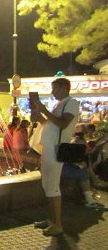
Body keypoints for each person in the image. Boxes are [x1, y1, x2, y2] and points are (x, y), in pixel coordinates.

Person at [30, 77, 80, 236]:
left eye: (55, 89)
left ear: (64, 88)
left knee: (53, 187)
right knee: (48, 186)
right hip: (48, 149)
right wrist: (37, 113)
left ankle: (57, 225)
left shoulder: (71, 103)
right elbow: (48, 123)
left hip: (56, 150)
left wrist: (44, 111)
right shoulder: (58, 104)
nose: (52, 92)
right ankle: (51, 220)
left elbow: (63, 123)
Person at [61, 130, 103, 208]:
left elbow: (85, 154)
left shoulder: (75, 141)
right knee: (84, 172)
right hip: (65, 167)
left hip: (70, 165)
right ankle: (90, 198)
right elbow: (73, 158)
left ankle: (90, 197)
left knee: (86, 167)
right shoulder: (76, 142)